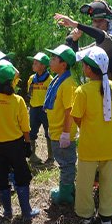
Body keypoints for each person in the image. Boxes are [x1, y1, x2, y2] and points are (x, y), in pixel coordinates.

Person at [54, 0, 112, 204]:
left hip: (109, 103)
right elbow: (74, 56)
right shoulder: (96, 44)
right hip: (94, 102)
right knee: (99, 145)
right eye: (94, 21)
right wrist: (72, 38)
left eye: (100, 21)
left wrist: (77, 24)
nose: (96, 25)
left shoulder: (111, 40)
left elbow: (102, 37)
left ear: (109, 22)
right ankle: (103, 182)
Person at [0, 59, 39, 219]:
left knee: (1, 177)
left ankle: (7, 212)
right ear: (12, 80)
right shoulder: (18, 100)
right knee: (21, 176)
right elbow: (25, 127)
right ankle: (26, 212)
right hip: (16, 145)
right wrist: (28, 144)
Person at [71, 46, 112, 224]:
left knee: (85, 182)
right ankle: (106, 215)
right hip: (108, 145)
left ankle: (86, 214)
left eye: (84, 65)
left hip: (89, 145)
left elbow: (76, 116)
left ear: (89, 69)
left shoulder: (82, 91)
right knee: (108, 181)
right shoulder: (111, 86)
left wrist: (87, 128)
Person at [44, 44, 78, 205]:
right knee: (65, 162)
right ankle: (69, 188)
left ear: (63, 64)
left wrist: (66, 133)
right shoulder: (59, 79)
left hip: (63, 132)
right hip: (56, 129)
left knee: (66, 164)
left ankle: (65, 195)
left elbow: (69, 110)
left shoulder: (68, 83)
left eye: (54, 58)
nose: (50, 61)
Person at [26, 52, 53, 164]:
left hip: (45, 110)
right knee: (32, 131)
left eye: (36, 63)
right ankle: (32, 155)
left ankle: (51, 157)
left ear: (43, 66)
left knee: (48, 132)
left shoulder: (50, 79)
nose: (33, 65)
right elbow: (29, 93)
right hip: (34, 109)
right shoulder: (31, 79)